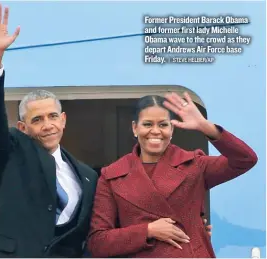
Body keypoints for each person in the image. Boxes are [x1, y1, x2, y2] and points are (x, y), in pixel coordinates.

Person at [0, 4, 98, 257]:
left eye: (53, 116)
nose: (48, 125)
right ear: (23, 127)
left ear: (63, 120)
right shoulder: (10, 153)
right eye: (38, 119)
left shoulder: (87, 175)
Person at [86, 93, 258, 258]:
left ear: (172, 128)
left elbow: (245, 159)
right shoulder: (111, 176)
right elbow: (98, 242)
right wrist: (148, 230)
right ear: (134, 128)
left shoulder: (195, 165)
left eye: (163, 124)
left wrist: (204, 126)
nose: (155, 131)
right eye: (147, 124)